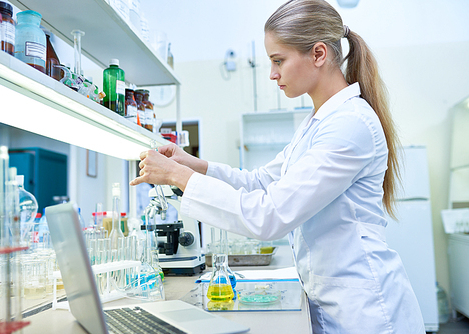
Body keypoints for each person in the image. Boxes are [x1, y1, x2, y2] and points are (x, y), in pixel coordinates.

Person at [130, 0, 425, 332]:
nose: (272, 74)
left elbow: (269, 217)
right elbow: (260, 182)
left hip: (366, 312)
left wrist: (178, 176)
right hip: (336, 302)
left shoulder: (349, 125)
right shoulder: (317, 123)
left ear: (318, 54)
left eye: (278, 61)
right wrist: (193, 165)